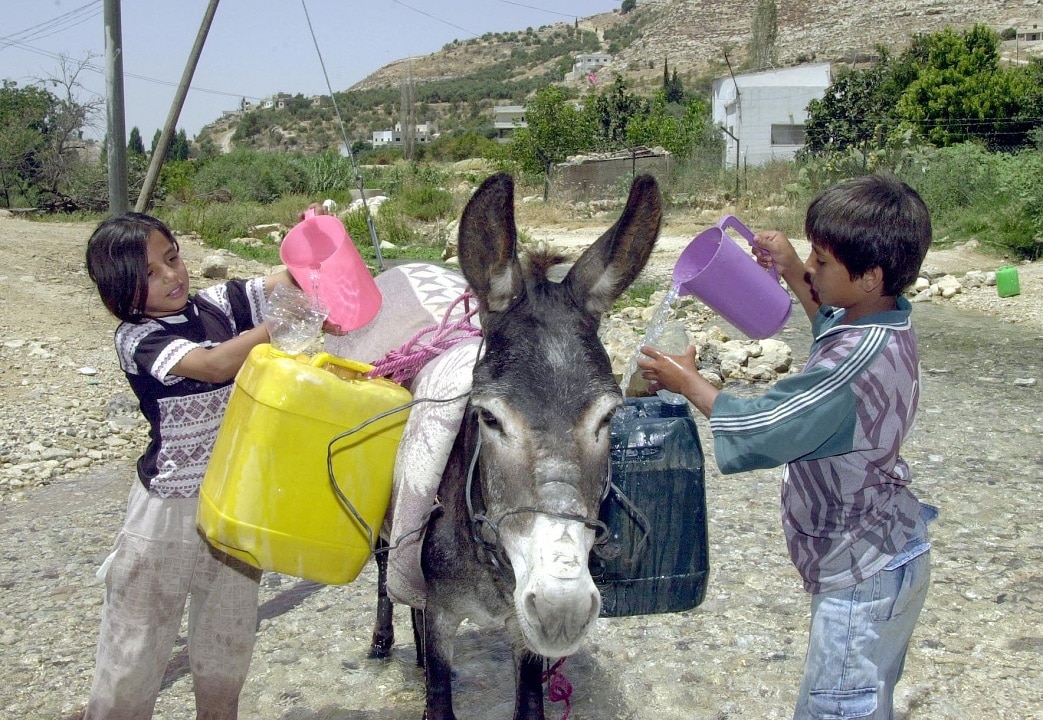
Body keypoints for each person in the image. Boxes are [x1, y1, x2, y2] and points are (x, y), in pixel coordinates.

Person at [638, 173, 937, 720]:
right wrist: (798, 270)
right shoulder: (883, 320)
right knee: (867, 703)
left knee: (837, 709)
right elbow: (832, 321)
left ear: (870, 276)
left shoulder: (853, 364)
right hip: (893, 548)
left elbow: (770, 426)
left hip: (862, 571)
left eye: (823, 264)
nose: (813, 273)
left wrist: (690, 384)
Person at [83, 212, 302, 719]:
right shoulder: (137, 339)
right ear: (120, 291)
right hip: (167, 511)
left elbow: (278, 280)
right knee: (136, 641)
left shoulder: (215, 305)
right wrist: (277, 328)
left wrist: (310, 247)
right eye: (150, 274)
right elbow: (213, 366)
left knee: (227, 637)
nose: (171, 276)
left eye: (172, 257)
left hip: (233, 501)